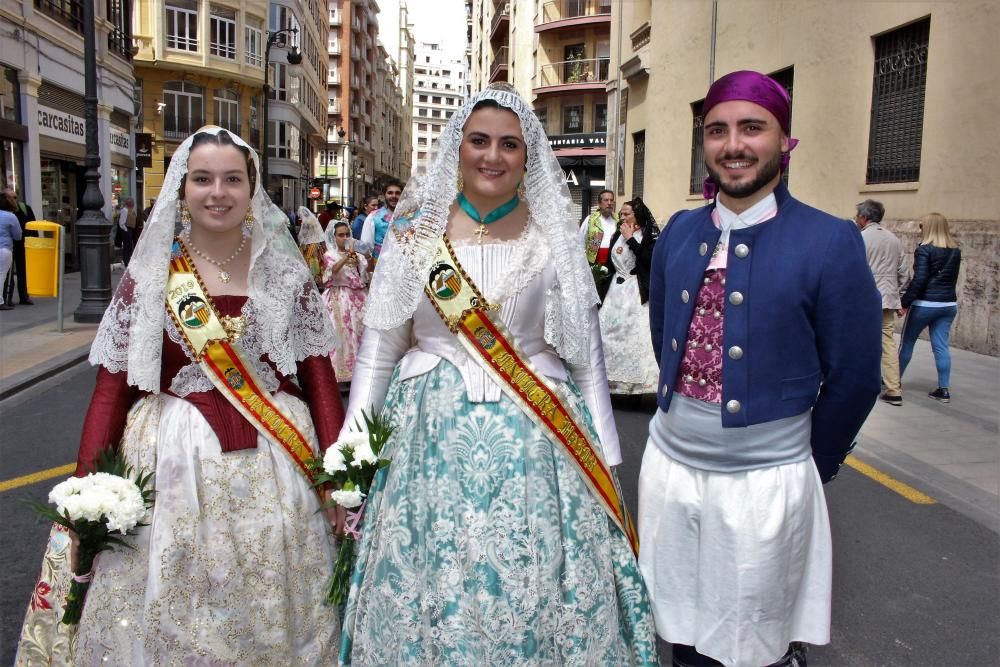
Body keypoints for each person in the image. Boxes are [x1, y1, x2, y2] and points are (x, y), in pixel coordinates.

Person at [338, 84, 657, 664]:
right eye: (479, 141)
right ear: (457, 148)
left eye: (509, 144)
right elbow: (378, 354)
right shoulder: (414, 239)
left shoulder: (554, 240)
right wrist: (353, 456)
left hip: (540, 444)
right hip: (428, 446)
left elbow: (586, 359)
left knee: (537, 582)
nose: (493, 156)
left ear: (527, 156)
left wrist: (608, 461)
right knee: (434, 576)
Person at [16, 126, 344, 664]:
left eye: (232, 179)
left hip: (278, 466)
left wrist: (335, 483)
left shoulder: (286, 273)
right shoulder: (149, 276)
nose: (218, 192)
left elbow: (319, 378)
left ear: (252, 188)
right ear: (181, 189)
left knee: (272, 606)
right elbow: (110, 391)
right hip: (170, 464)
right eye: (203, 179)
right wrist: (86, 493)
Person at [639, 70, 881, 667]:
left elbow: (855, 377)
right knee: (684, 636)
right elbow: (661, 333)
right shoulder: (679, 231)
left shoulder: (829, 241)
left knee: (754, 644)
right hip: (671, 473)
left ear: (784, 141)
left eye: (753, 127)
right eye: (718, 130)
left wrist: (801, 464)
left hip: (766, 485)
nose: (734, 144)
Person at [598, 197, 660, 394]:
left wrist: (631, 239)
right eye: (621, 214)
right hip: (615, 293)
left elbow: (648, 261)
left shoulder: (648, 236)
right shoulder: (616, 235)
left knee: (634, 338)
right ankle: (608, 383)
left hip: (635, 292)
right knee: (608, 335)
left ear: (637, 216)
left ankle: (635, 386)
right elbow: (610, 262)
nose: (622, 217)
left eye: (626, 214)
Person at [898, 213, 962, 403]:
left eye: (921, 226)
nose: (920, 229)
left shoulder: (924, 249)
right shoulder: (955, 250)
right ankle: (943, 389)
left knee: (907, 343)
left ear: (928, 228)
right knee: (941, 346)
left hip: (925, 304)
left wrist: (904, 302)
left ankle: (893, 383)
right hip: (948, 304)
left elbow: (920, 279)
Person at [854, 199, 909, 406]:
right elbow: (905, 273)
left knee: (860, 341)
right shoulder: (894, 239)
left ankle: (863, 382)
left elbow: (853, 269)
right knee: (887, 342)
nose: (856, 219)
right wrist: (897, 292)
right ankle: (894, 388)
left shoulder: (861, 238)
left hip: (866, 299)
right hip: (888, 298)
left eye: (858, 215)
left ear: (865, 217)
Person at [321, 221, 368, 382]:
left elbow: (363, 274)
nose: (345, 238)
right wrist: (347, 256)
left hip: (357, 297)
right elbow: (333, 270)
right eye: (341, 235)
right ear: (334, 237)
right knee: (343, 334)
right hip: (338, 297)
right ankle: (342, 372)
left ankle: (360, 371)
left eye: (347, 234)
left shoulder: (357, 255)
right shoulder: (330, 255)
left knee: (359, 333)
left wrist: (359, 260)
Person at [580, 189, 618, 290]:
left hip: (613, 263)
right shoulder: (590, 220)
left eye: (611, 200)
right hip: (595, 262)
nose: (609, 203)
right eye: (606, 200)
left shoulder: (617, 220)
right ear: (599, 204)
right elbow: (580, 242)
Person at [2, 187, 35, 306]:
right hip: (8, 245)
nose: (14, 199)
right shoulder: (5, 212)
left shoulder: (24, 208)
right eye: (11, 197)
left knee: (23, 271)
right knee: (7, 273)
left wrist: (33, 242)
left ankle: (24, 296)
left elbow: (32, 225)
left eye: (15, 197)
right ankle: (7, 297)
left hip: (22, 245)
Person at [359, 180, 403, 261]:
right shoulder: (373, 217)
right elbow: (366, 246)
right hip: (380, 268)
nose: (394, 196)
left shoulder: (408, 217)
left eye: (397, 193)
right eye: (390, 193)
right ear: (384, 195)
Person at [0, 195, 23, 311]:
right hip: (4, 248)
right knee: (1, 275)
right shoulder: (11, 216)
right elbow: (18, 235)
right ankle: (0, 301)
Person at [117, 197, 137, 266]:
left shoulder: (131, 210)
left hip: (131, 230)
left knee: (129, 246)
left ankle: (129, 260)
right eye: (132, 202)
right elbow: (121, 223)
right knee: (127, 247)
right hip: (127, 230)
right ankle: (126, 261)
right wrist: (126, 230)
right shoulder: (125, 210)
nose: (133, 203)